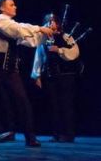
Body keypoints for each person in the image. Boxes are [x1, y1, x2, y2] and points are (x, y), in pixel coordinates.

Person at [0, 0, 53, 147]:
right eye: (11, 5)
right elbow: (17, 30)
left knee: (23, 102)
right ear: (2, 8)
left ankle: (30, 137)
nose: (15, 7)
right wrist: (39, 28)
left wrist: (46, 34)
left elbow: (31, 41)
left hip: (10, 70)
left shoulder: (11, 24)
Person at [31, 13, 80, 143]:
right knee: (54, 105)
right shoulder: (43, 39)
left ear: (58, 23)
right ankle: (56, 134)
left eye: (52, 21)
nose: (50, 23)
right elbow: (39, 57)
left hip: (65, 76)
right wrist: (37, 76)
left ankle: (68, 134)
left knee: (66, 105)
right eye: (47, 21)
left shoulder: (66, 37)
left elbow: (75, 53)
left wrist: (59, 50)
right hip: (51, 76)